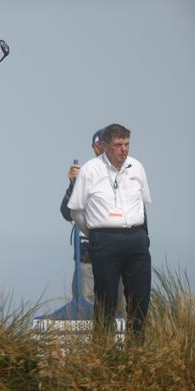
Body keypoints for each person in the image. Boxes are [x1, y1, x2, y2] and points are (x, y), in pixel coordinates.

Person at [68, 123, 152, 336]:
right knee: (106, 299)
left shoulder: (137, 167)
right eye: (118, 144)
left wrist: (143, 236)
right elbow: (75, 210)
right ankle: (104, 349)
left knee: (140, 298)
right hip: (104, 238)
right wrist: (94, 233)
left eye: (126, 144)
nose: (123, 149)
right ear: (106, 146)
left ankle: (136, 351)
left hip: (136, 237)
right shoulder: (90, 170)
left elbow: (142, 203)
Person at [60, 129, 125, 315]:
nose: (102, 150)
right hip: (88, 256)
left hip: (119, 255)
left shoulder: (125, 174)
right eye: (99, 146)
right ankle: (93, 344)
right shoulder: (85, 175)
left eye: (106, 146)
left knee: (121, 309)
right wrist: (73, 184)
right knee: (85, 309)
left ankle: (121, 344)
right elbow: (67, 212)